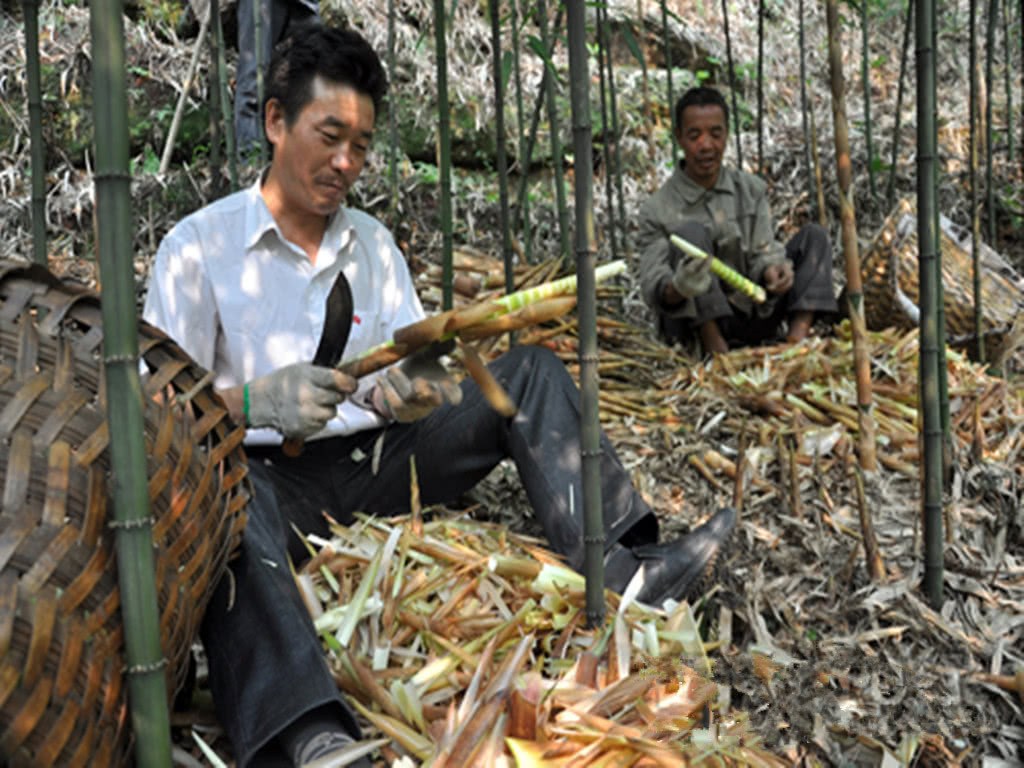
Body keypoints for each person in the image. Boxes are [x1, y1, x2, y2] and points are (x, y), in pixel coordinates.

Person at [144, 23, 736, 768]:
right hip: (268, 489)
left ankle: (624, 565)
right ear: (273, 121)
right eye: (329, 136)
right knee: (231, 490)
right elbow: (155, 423)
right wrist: (255, 405)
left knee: (526, 370)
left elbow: (427, 369)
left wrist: (415, 391)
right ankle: (307, 731)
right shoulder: (198, 249)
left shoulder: (372, 243)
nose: (344, 163)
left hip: (383, 464)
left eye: (360, 146)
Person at [635, 86, 838, 355]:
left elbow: (762, 250)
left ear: (727, 135)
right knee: (690, 236)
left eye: (715, 134)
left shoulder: (750, 189)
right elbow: (653, 284)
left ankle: (795, 345)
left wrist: (773, 270)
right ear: (679, 138)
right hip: (696, 323)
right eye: (694, 135)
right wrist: (680, 287)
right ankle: (717, 353)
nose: (706, 145)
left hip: (751, 311)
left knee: (815, 237)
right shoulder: (657, 209)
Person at [233, 0, 318, 160]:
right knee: (254, 83)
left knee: (308, 86)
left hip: (306, 5)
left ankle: (298, 163)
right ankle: (252, 164)